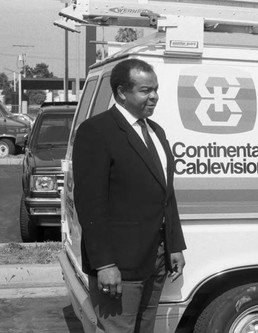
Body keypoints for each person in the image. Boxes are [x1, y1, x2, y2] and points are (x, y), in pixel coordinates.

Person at [73, 58, 187, 333]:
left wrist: (174, 245)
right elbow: (90, 203)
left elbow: (165, 194)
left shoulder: (156, 131)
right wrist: (105, 263)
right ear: (122, 92)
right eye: (146, 90)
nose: (154, 96)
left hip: (155, 259)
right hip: (119, 264)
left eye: (156, 89)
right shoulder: (97, 131)